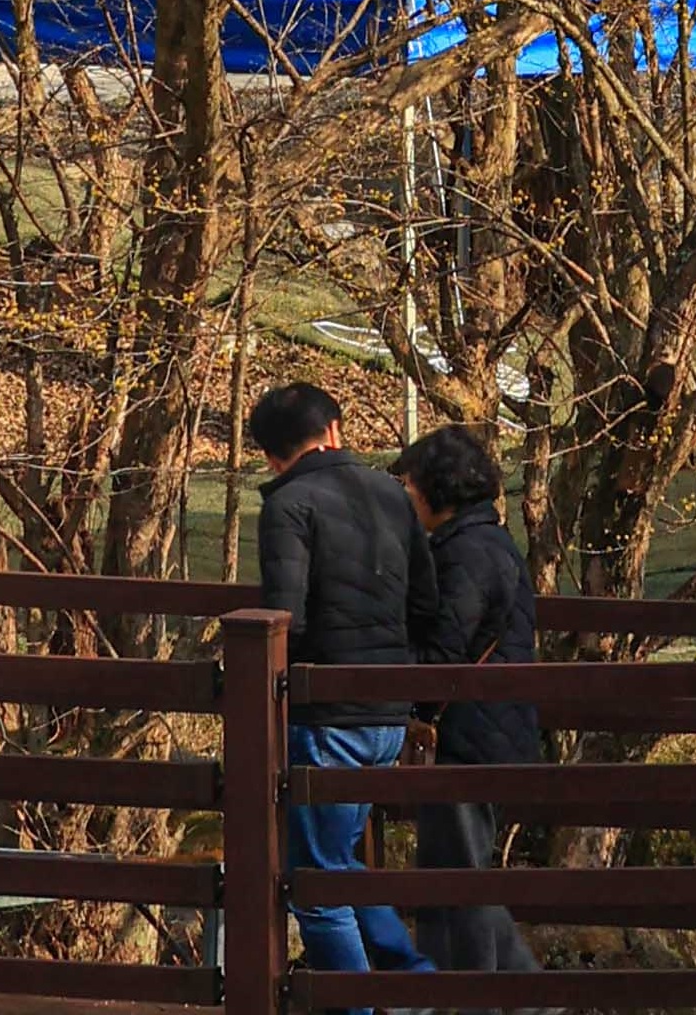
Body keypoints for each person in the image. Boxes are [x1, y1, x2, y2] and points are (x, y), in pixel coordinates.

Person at [255, 380, 438, 998]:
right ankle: (411, 984)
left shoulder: (288, 507)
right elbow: (426, 603)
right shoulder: (391, 494)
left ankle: (363, 1005)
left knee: (316, 886)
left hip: (328, 716)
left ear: (271, 455)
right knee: (340, 863)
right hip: (388, 708)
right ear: (333, 430)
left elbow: (284, 619)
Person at [398, 422, 542, 981]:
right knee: (455, 874)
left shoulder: (468, 554)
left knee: (458, 878)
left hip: (470, 737)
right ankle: (522, 1001)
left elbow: (444, 655)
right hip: (486, 729)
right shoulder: (478, 543)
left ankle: (471, 996)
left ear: (439, 488)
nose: (406, 495)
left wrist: (387, 665)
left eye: (411, 484)